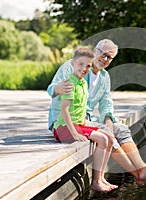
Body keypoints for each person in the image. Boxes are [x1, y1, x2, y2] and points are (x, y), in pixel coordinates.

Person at [48, 39, 146, 186]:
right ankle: (139, 173)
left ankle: (142, 168)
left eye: (109, 57)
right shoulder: (76, 65)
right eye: (103, 54)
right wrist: (57, 89)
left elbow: (106, 102)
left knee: (121, 128)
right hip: (66, 120)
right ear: (95, 51)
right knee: (106, 132)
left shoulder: (104, 77)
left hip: (88, 118)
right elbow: (51, 87)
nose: (105, 59)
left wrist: (109, 119)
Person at [52, 47, 117, 192]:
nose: (84, 68)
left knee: (110, 138)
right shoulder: (70, 83)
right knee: (103, 140)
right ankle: (95, 182)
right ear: (73, 64)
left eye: (88, 65)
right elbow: (64, 110)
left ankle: (100, 178)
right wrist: (75, 134)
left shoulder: (83, 83)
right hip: (64, 129)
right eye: (80, 64)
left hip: (77, 126)